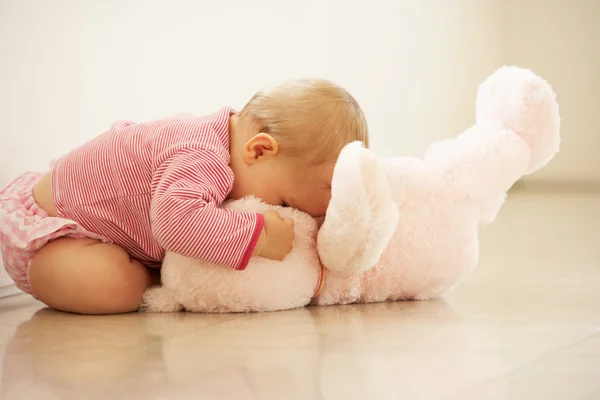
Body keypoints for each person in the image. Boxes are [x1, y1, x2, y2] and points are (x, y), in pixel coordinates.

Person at [0, 78, 369, 314]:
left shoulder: (223, 140)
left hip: (105, 229)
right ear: (258, 151)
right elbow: (177, 222)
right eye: (285, 202)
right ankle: (49, 274)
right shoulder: (203, 156)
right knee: (115, 285)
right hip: (58, 234)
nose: (280, 211)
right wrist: (259, 236)